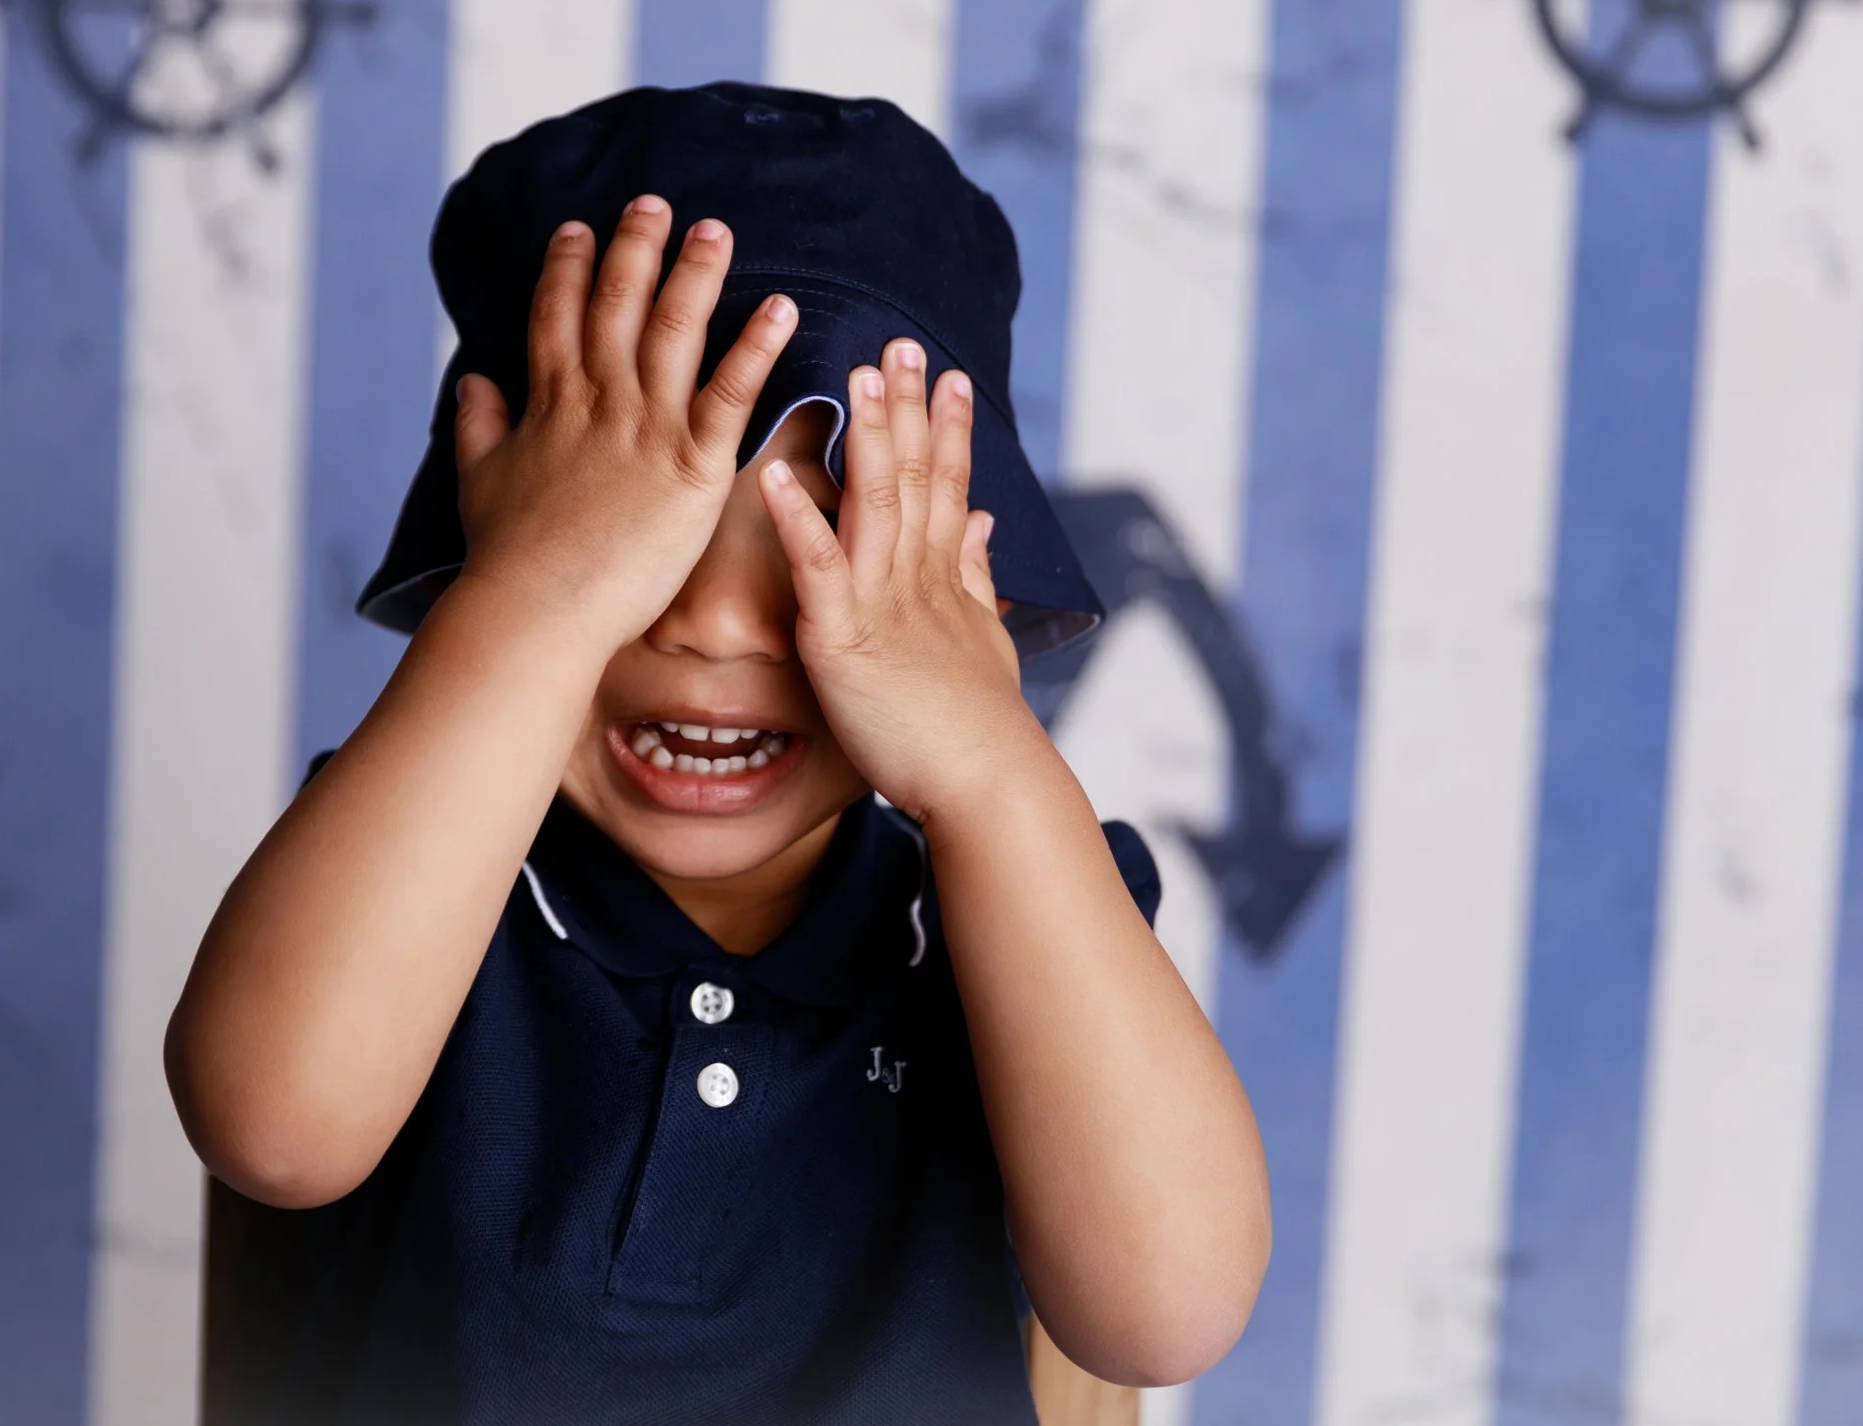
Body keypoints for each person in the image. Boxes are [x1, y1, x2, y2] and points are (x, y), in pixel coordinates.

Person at [166, 82, 1269, 1424]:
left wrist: (988, 768)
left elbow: (1167, 1308)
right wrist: (535, 608)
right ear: (488, 548)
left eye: (817, 554)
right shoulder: (416, 863)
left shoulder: (1016, 897)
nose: (706, 628)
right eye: (627, 546)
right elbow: (271, 1122)